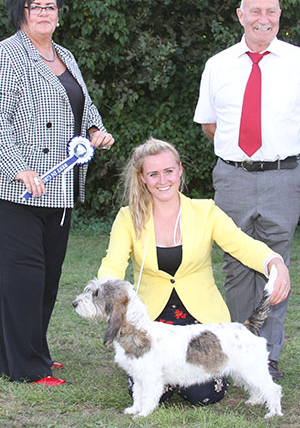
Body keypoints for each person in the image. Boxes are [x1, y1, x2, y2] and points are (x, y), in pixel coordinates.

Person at [97, 137, 289, 406]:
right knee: (156, 394)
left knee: (203, 395)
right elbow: (113, 262)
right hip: (153, 324)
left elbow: (242, 245)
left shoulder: (205, 211)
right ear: (142, 178)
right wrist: (104, 287)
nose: (162, 180)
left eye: (168, 171)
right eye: (153, 174)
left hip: (202, 323)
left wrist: (273, 262)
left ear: (179, 171)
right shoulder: (128, 218)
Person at [0, 0, 114, 385]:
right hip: (19, 190)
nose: (44, 13)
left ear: (59, 13)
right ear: (21, 12)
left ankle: (31, 352)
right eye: (35, 6)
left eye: (50, 6)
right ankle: (27, 367)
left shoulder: (66, 56)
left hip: (61, 187)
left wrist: (94, 131)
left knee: (47, 279)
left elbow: (81, 107)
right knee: (24, 280)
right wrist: (18, 168)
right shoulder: (7, 55)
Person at [193, 0, 299, 380]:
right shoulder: (217, 64)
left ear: (279, 15)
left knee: (275, 267)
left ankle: (267, 357)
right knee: (237, 267)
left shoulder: (297, 62)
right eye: (256, 11)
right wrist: (241, 155)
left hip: (284, 178)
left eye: (271, 12)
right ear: (241, 15)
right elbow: (209, 124)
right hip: (233, 177)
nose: (264, 19)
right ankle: (239, 352)